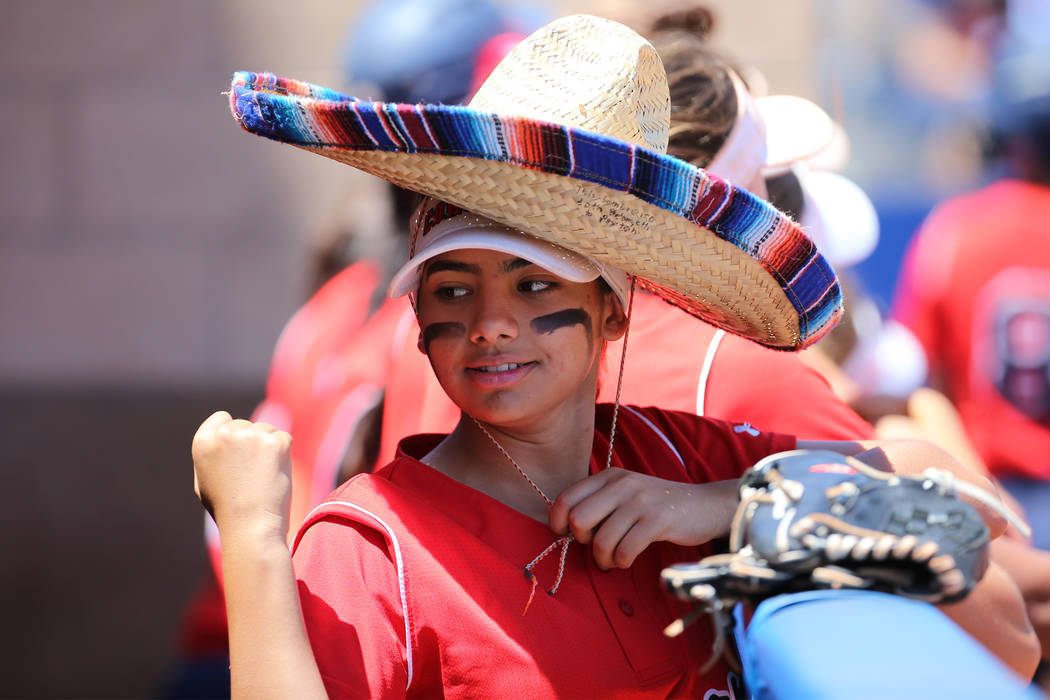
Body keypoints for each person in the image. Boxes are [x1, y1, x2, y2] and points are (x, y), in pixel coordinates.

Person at [197, 14, 1038, 697]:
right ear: (416, 316)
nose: (490, 323)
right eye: (453, 290)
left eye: (534, 287)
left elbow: (1002, 622)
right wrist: (255, 538)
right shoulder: (367, 548)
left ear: (613, 310)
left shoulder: (674, 458)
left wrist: (734, 503)